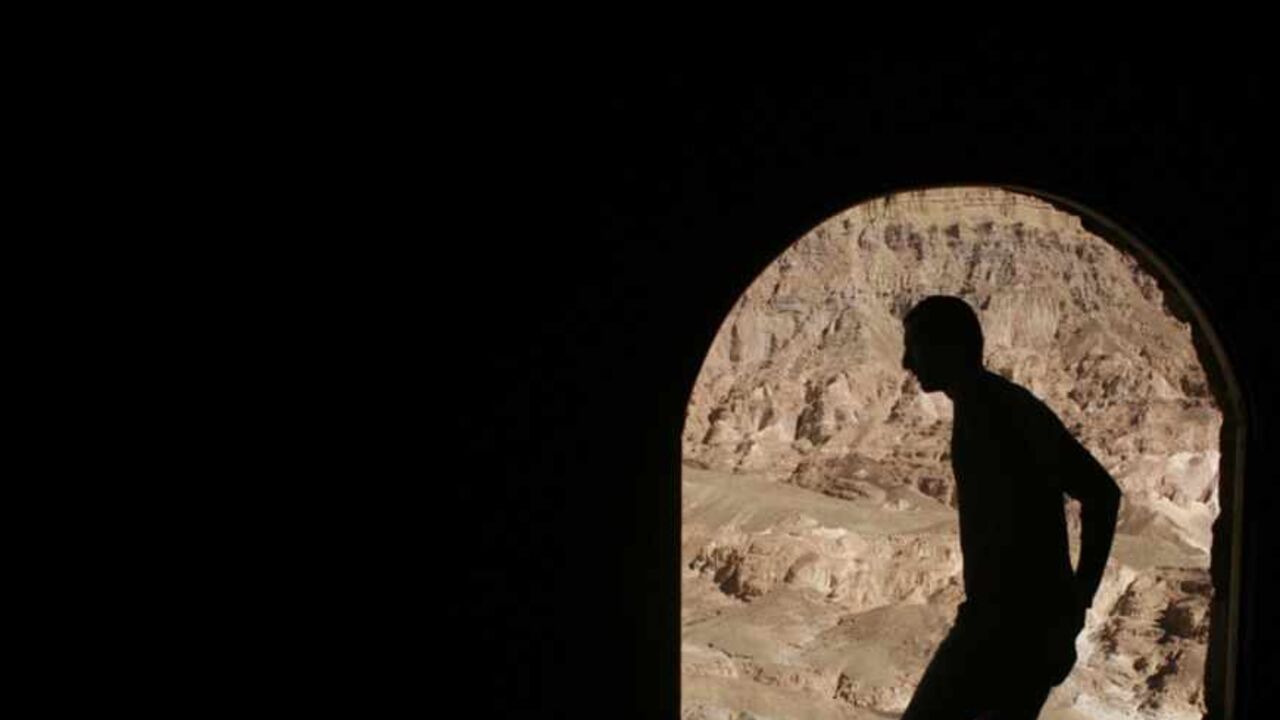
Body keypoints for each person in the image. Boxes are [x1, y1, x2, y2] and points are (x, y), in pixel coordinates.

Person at [898, 296, 1122, 720]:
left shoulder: (1003, 410)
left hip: (1016, 629)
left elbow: (1102, 493)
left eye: (916, 346)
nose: (906, 361)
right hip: (1003, 622)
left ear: (950, 346)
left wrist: (1077, 604)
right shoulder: (983, 406)